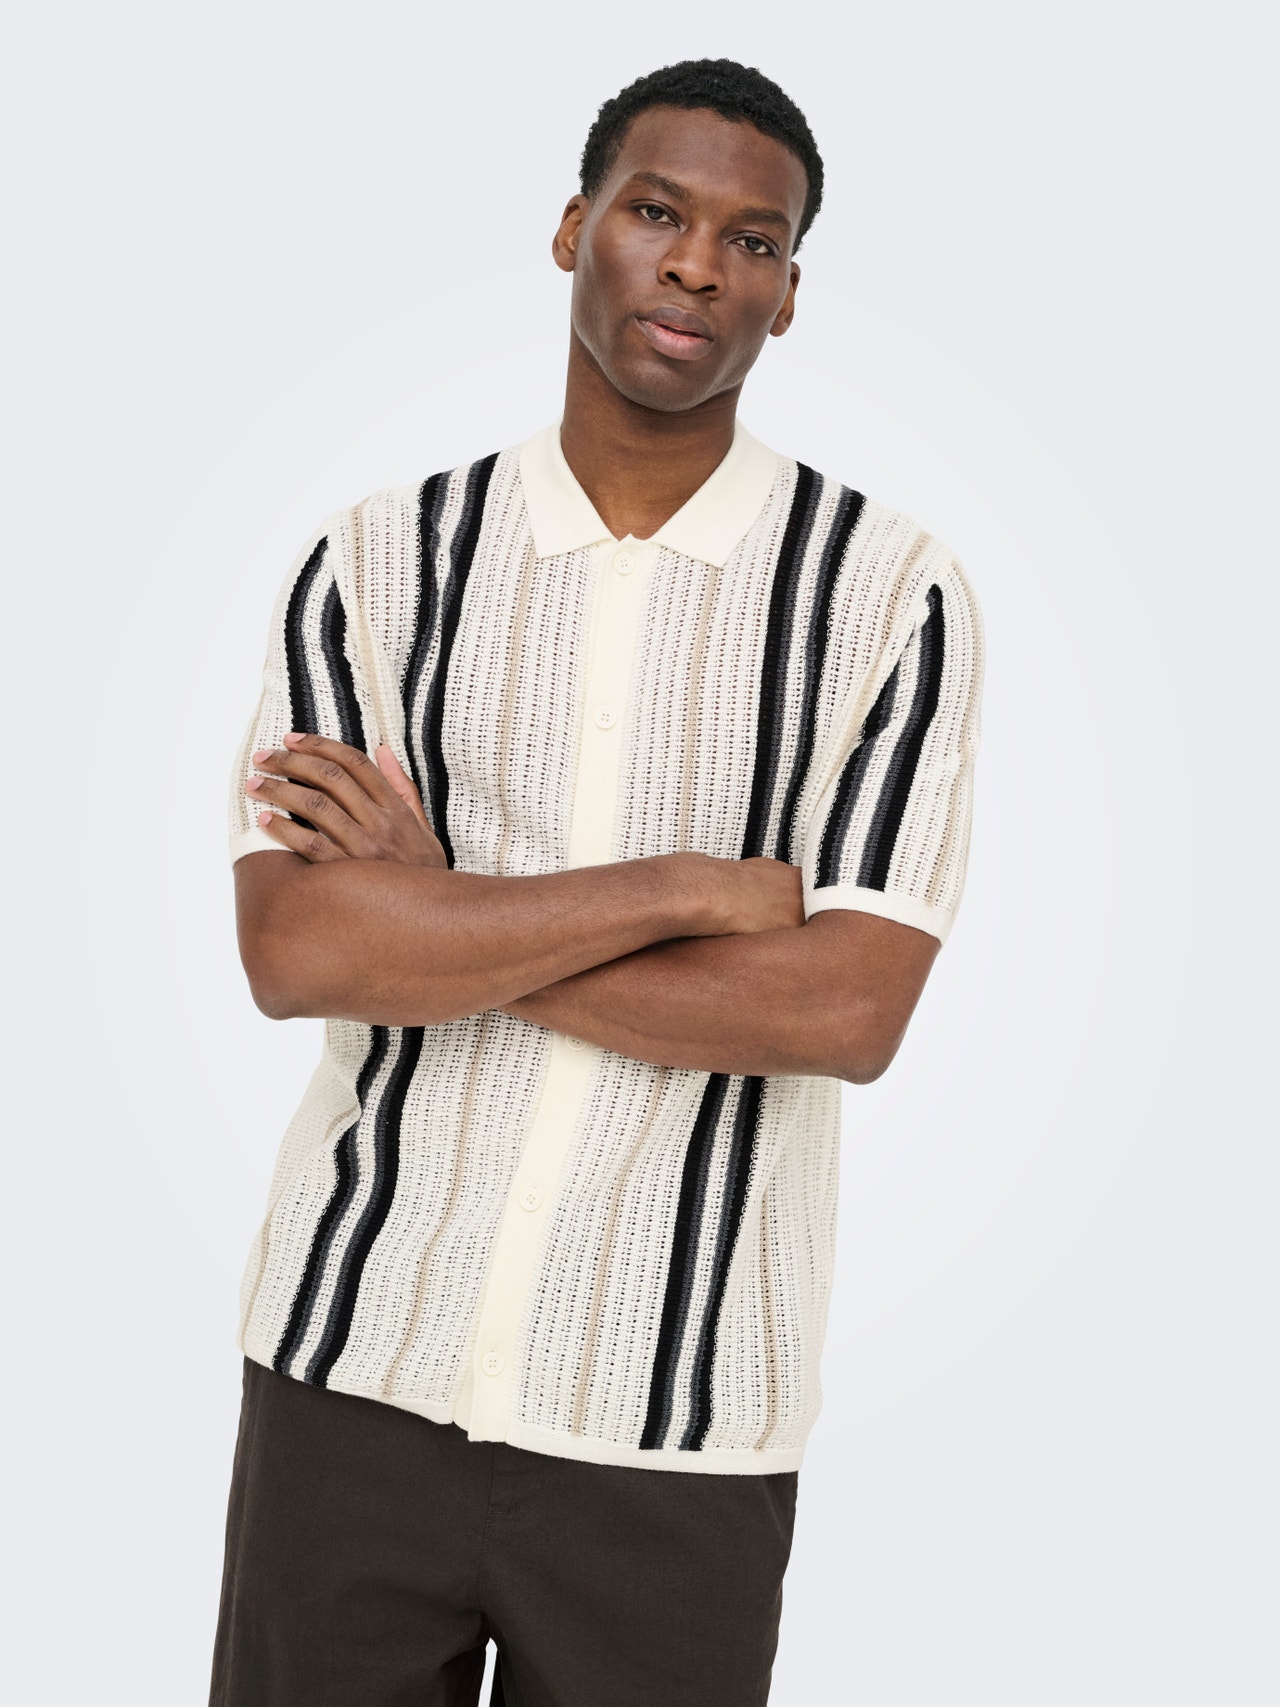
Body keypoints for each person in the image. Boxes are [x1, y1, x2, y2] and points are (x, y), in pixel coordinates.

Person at [209, 56, 984, 1707]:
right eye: (656, 212)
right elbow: (298, 949)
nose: (699, 265)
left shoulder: (888, 596)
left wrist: (442, 919)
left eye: (753, 240)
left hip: (679, 1440)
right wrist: (690, 889)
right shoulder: (379, 562)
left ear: (789, 293)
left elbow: (843, 1011)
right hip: (350, 1376)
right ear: (573, 230)